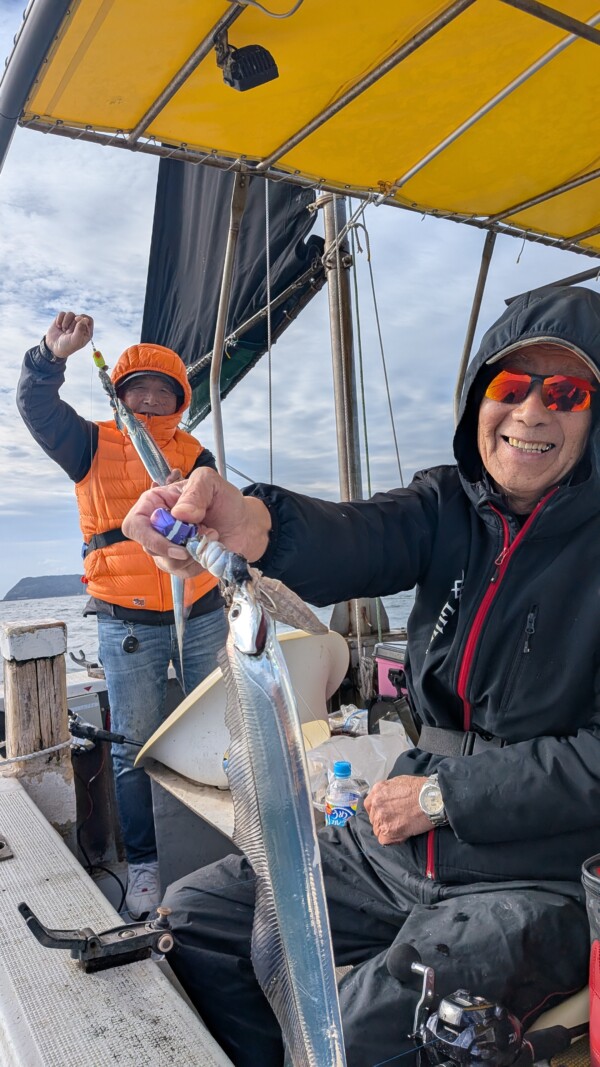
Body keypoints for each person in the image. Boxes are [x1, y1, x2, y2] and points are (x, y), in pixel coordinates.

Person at [122, 284, 600, 1067]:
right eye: (512, 387)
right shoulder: (445, 505)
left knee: (344, 1031)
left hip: (533, 878)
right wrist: (250, 524)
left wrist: (445, 794)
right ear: (481, 397)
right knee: (195, 921)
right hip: (405, 844)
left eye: (568, 392)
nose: (532, 412)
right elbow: (357, 537)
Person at [17, 311, 228, 919]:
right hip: (126, 620)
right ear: (120, 394)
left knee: (218, 730)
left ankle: (226, 845)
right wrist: (48, 356)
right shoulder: (88, 442)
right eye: (138, 387)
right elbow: (36, 407)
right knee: (134, 747)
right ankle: (143, 865)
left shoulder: (197, 452)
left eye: (164, 389)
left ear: (180, 397)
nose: (151, 397)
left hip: (204, 607)